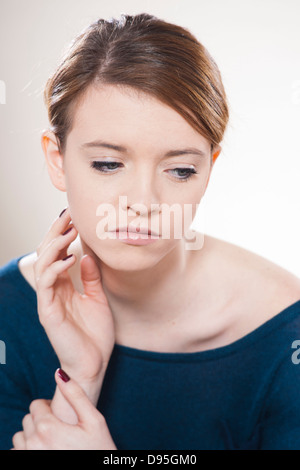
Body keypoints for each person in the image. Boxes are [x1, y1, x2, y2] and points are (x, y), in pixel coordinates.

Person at [1, 12, 300, 451]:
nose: (142, 202)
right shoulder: (8, 311)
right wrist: (81, 382)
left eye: (180, 170)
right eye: (108, 163)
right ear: (56, 159)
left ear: (209, 171)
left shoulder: (283, 332)